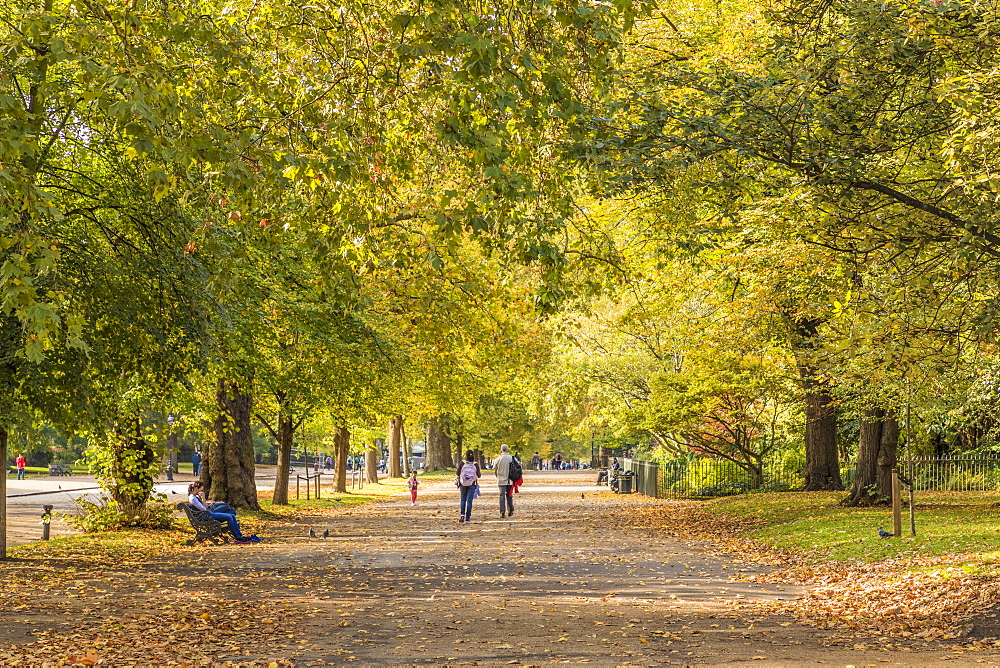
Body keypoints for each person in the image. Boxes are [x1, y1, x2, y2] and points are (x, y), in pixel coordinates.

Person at [187, 482, 259, 544]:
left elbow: (204, 507)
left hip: (205, 514)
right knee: (229, 516)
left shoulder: (195, 497)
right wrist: (203, 498)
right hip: (205, 516)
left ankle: (239, 536)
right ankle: (237, 537)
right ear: (196, 488)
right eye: (200, 489)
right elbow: (203, 509)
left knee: (232, 515)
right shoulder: (193, 498)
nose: (201, 491)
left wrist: (208, 505)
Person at [456, 450, 481, 523]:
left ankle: (462, 515)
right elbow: (479, 475)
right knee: (469, 501)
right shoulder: (475, 464)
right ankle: (468, 518)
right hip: (472, 484)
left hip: (462, 484)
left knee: (463, 499)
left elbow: (457, 473)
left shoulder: (462, 463)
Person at [493, 444, 515, 518]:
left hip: (501, 480)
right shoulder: (512, 458)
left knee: (502, 495)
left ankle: (502, 512)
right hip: (510, 479)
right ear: (508, 450)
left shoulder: (498, 459)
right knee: (509, 495)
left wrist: (498, 476)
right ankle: (510, 510)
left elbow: (495, 470)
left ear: (501, 450)